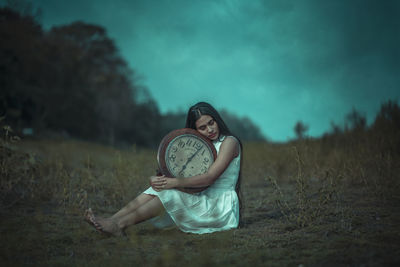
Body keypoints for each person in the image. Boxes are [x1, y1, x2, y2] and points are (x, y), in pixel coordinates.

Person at [85, 102, 243, 235]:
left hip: (220, 205)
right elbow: (178, 171)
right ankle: (112, 220)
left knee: (170, 193)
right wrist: (158, 179)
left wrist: (172, 183)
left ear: (217, 120)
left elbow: (210, 177)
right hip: (203, 196)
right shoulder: (200, 146)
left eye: (211, 123)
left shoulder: (229, 142)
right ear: (195, 130)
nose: (209, 129)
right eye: (202, 128)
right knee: (160, 188)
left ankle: (119, 225)